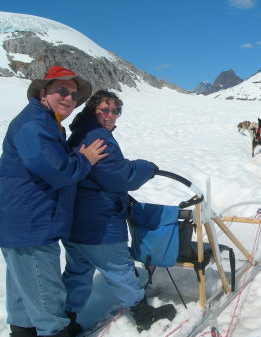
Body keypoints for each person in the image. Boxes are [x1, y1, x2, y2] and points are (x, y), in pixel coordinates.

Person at [0, 65, 108, 337]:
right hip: (31, 226)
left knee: (24, 295)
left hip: (21, 225)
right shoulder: (34, 124)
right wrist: (85, 159)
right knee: (47, 298)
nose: (69, 98)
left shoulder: (45, 122)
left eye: (74, 95)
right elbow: (57, 172)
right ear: (44, 92)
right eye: (62, 90)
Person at [62, 90, 176, 332]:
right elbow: (121, 175)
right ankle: (144, 315)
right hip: (99, 223)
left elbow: (99, 176)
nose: (111, 115)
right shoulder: (97, 138)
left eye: (115, 110)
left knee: (78, 272)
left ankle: (66, 319)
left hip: (76, 222)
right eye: (105, 109)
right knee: (119, 268)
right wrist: (147, 167)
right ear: (93, 110)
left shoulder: (81, 133)